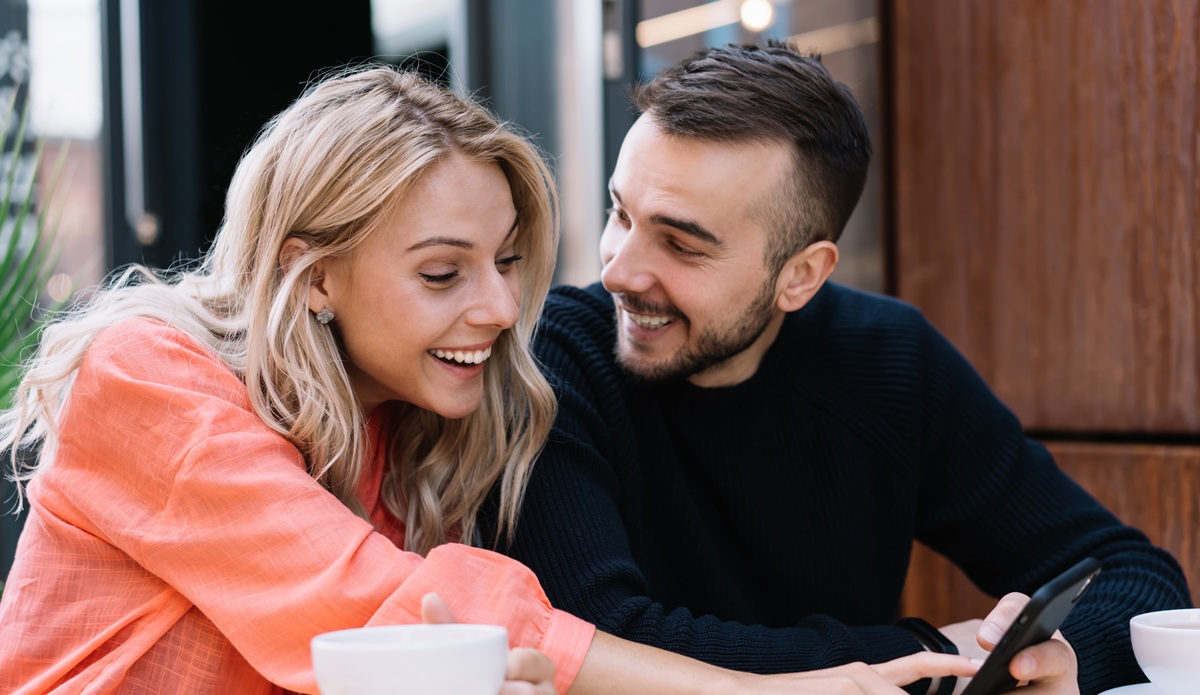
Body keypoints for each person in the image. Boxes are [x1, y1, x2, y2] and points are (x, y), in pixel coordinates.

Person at [0, 65, 978, 695]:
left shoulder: (414, 427)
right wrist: (763, 692)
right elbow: (371, 599)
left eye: (506, 261)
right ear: (314, 273)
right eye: (441, 272)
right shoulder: (149, 379)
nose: (503, 310)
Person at [488, 41, 1194, 695]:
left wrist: (1058, 657)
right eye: (620, 212)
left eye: (682, 244)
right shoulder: (551, 355)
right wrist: (923, 650)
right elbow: (597, 641)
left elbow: (1137, 578)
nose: (619, 269)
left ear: (801, 275)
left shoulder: (888, 358)